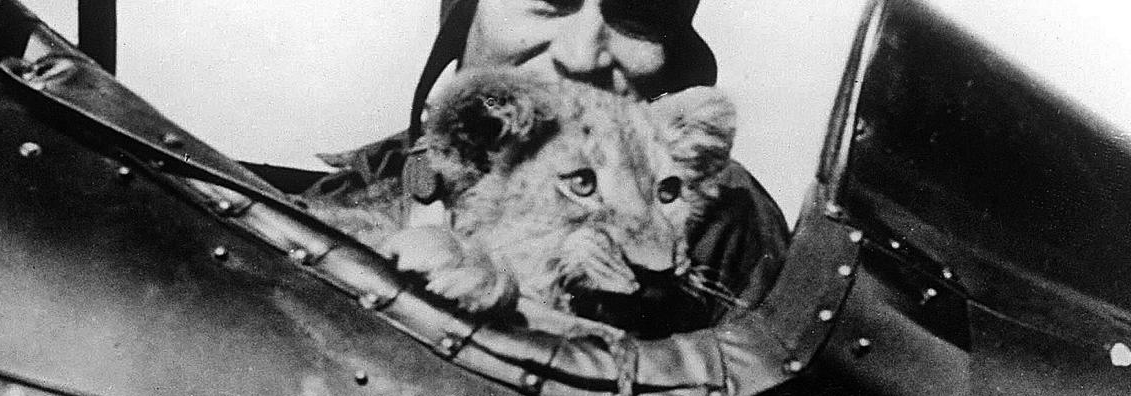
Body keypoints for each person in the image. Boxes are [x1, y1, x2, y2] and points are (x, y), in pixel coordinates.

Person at [300, 0, 791, 316]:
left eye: (635, 16)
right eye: (549, 1)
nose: (582, 56)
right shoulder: (363, 188)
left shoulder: (723, 215)